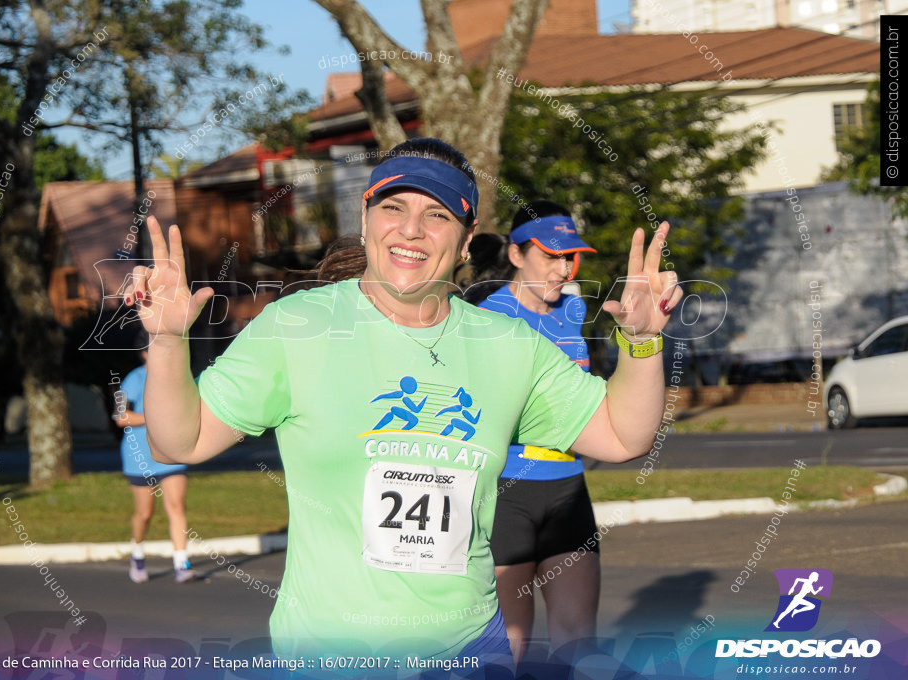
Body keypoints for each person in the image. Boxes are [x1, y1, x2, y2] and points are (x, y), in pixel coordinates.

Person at [125, 138, 682, 667]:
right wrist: (169, 341)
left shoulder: (510, 348)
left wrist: (641, 342)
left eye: (438, 214)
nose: (411, 230)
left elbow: (622, 434)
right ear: (365, 220)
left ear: (466, 241)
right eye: (394, 207)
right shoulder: (296, 328)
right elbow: (180, 440)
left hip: (469, 653)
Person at [469, 201, 602, 663]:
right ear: (516, 255)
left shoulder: (574, 308)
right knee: (510, 651)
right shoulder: (488, 318)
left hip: (568, 488)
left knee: (579, 646)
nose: (563, 268)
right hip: (507, 493)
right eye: (551, 256)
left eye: (570, 257)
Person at [114, 338, 195, 584]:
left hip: (171, 454)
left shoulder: (176, 376)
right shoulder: (132, 379)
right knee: (144, 513)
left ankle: (182, 562)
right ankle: (137, 554)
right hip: (138, 456)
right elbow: (120, 417)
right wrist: (155, 417)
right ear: (145, 353)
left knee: (176, 506)